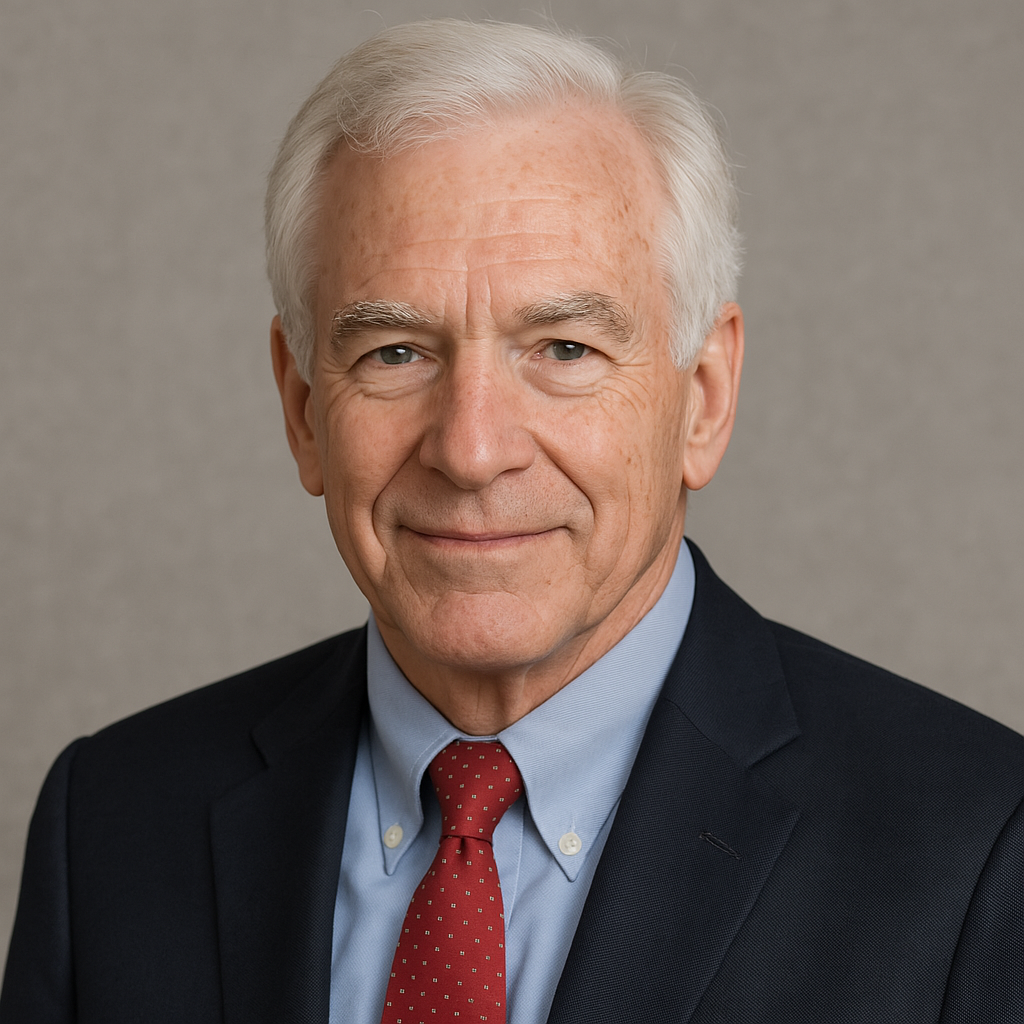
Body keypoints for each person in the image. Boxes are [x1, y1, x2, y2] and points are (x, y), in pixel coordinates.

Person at [2, 18, 1022, 1024]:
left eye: (564, 348)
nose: (473, 447)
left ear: (702, 399)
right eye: (394, 352)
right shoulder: (116, 821)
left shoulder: (976, 848)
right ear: (303, 408)